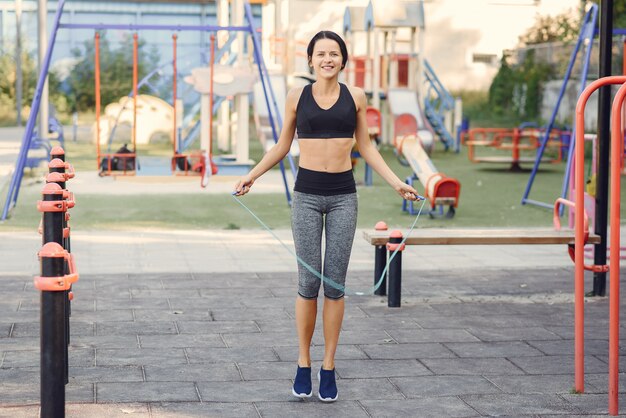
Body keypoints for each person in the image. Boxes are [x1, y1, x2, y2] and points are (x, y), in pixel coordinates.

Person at [233, 30, 420, 402]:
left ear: (343, 60)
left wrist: (397, 183)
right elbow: (283, 145)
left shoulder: (357, 97)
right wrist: (252, 175)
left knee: (334, 285)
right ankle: (303, 362)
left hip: (342, 198)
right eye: (321, 54)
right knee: (308, 283)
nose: (327, 59)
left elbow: (365, 145)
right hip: (305, 197)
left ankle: (329, 366)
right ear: (311, 60)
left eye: (334, 53)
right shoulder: (296, 97)